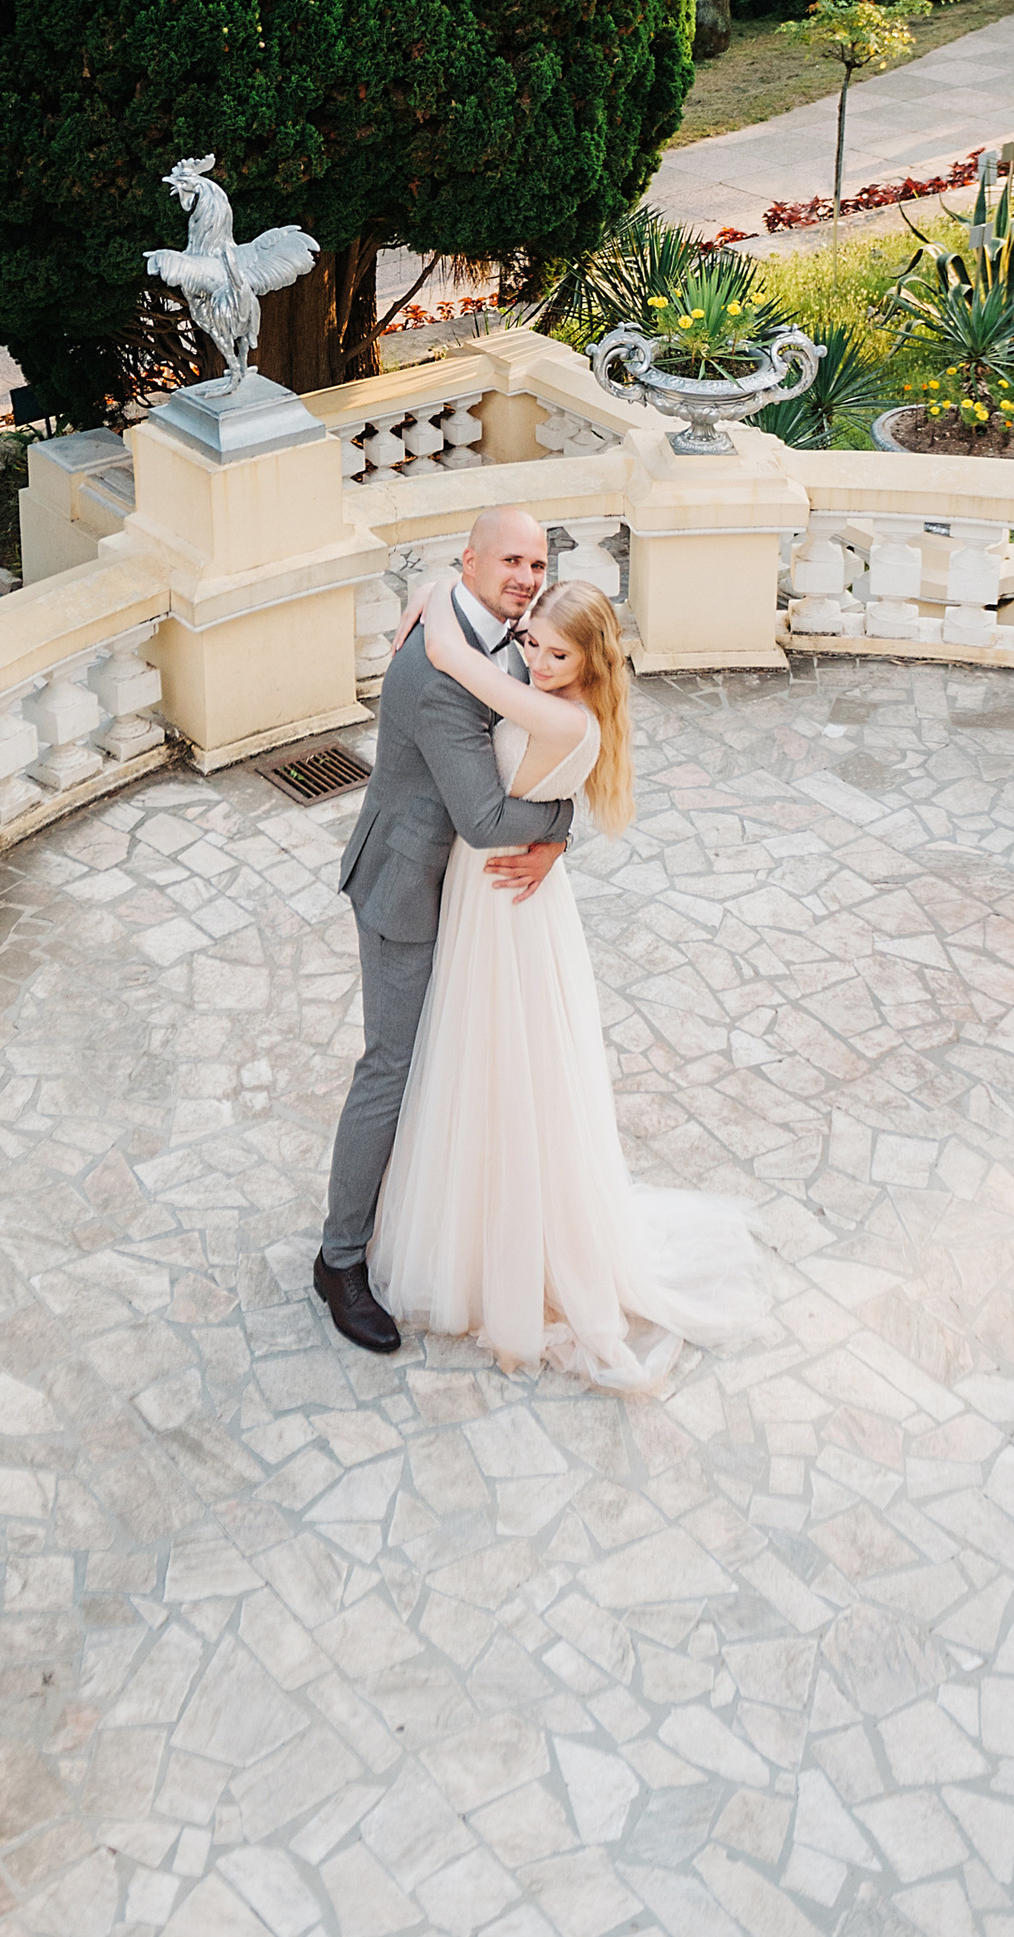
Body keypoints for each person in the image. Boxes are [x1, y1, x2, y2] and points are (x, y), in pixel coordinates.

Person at [367, 572, 767, 1394]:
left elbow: (449, 653)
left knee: (505, 1064)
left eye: (557, 654)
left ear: (590, 658)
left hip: (502, 899)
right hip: (508, 888)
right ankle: (486, 1228)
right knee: (491, 1060)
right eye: (532, 645)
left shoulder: (556, 713)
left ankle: (505, 1255)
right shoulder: (571, 705)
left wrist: (437, 588)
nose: (539, 663)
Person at [316, 506, 570, 1355]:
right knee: (391, 1067)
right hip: (406, 887)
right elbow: (488, 818)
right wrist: (564, 820)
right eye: (511, 561)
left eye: (538, 563)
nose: (527, 578)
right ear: (469, 561)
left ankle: (435, 1216)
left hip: (463, 894)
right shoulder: (436, 675)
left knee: (460, 1061)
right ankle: (339, 1259)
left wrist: (431, 587)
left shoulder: (503, 627)